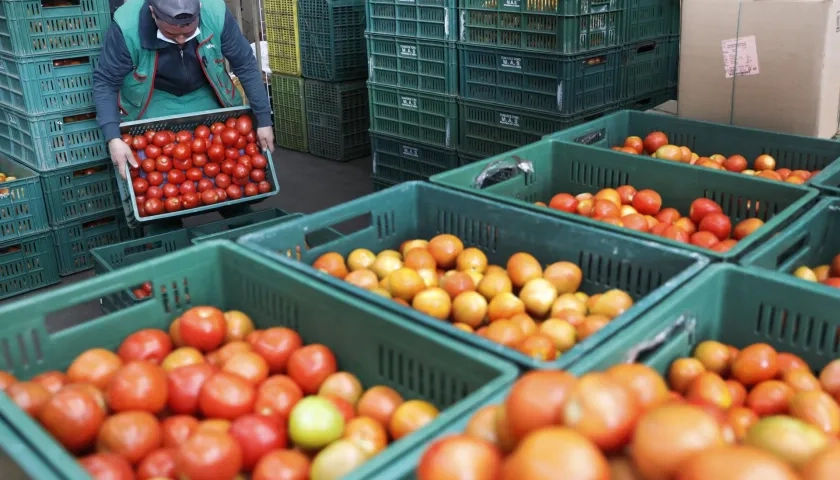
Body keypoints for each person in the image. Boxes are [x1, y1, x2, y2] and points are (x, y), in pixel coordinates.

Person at [93, 0, 274, 178]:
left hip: (207, 89)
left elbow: (244, 64)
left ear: (200, 10)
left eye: (188, 32)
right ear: (153, 13)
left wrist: (264, 119)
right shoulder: (127, 26)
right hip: (153, 96)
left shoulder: (215, 11)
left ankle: (235, 207)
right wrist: (113, 137)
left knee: (228, 157)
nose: (180, 40)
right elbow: (105, 81)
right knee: (152, 165)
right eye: (171, 33)